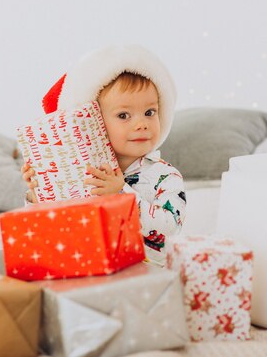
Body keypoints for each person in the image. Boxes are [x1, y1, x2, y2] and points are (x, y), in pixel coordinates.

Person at [21, 44, 185, 266]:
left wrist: (121, 193)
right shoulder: (86, 174)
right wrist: (38, 193)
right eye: (124, 115)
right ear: (95, 122)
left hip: (147, 276)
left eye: (149, 112)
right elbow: (56, 227)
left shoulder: (165, 175)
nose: (141, 124)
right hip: (91, 270)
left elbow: (170, 225)